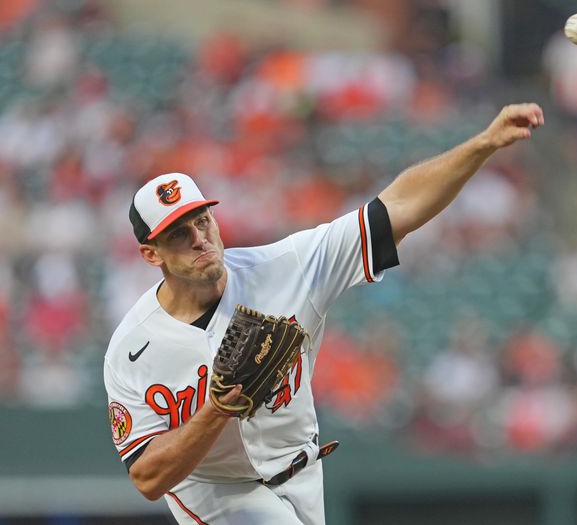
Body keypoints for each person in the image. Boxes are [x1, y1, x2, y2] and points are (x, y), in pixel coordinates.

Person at [104, 103, 544, 524]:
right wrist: (216, 410)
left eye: (203, 221)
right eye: (180, 234)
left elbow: (398, 207)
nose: (200, 238)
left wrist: (483, 143)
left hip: (301, 472)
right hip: (214, 489)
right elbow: (147, 477)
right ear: (150, 253)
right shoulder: (131, 349)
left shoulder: (285, 268)